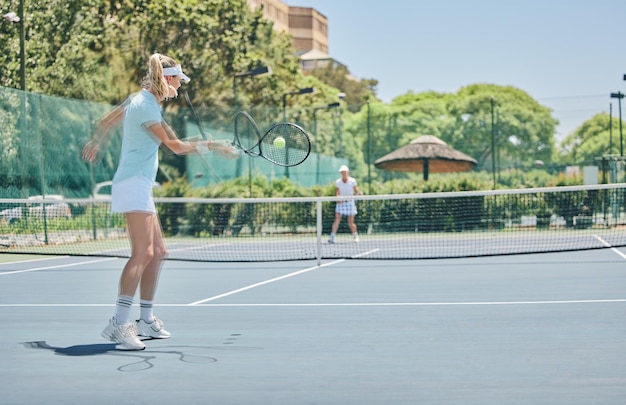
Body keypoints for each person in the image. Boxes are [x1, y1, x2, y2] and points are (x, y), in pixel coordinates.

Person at [82, 53, 238, 350]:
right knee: (142, 253)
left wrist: (98, 140)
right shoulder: (144, 105)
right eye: (178, 81)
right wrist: (215, 146)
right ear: (166, 79)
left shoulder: (140, 101)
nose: (179, 88)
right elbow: (176, 147)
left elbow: (107, 120)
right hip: (132, 184)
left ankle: (146, 320)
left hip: (139, 184)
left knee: (159, 251)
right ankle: (118, 324)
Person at [329, 165, 360, 244]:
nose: (343, 173)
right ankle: (332, 237)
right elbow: (336, 194)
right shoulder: (338, 182)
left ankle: (355, 236)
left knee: (350, 221)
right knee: (337, 220)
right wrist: (339, 200)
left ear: (347, 172)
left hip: (350, 202)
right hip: (341, 203)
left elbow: (356, 192)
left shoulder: (352, 181)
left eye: (345, 172)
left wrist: (354, 197)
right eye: (342, 172)